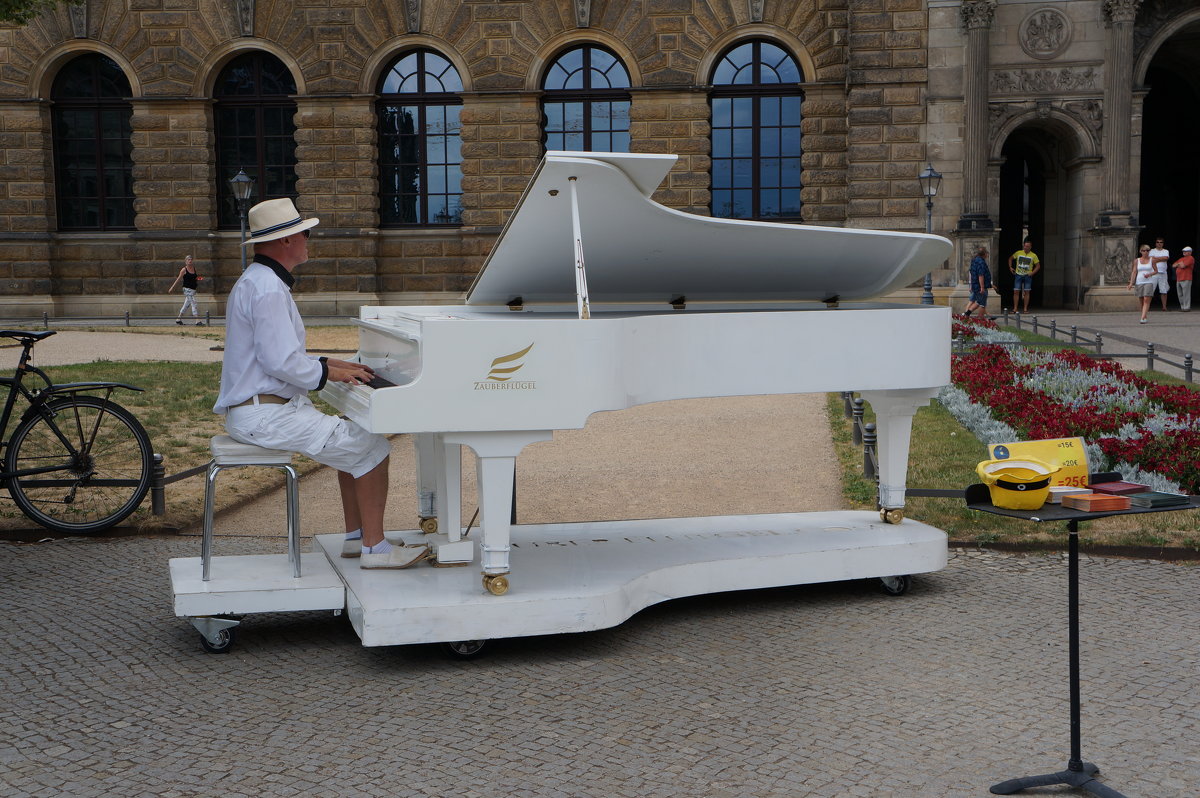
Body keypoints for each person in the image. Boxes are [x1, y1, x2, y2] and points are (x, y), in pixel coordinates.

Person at [212, 197, 428, 569]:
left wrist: (330, 363)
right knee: (372, 448)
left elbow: (276, 356)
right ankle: (375, 551)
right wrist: (331, 374)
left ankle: (357, 538)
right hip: (265, 416)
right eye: (304, 234)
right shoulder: (267, 288)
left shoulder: (258, 281)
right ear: (284, 241)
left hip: (261, 409)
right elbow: (279, 361)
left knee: (353, 444)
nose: (308, 240)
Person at [168, 254, 204, 326]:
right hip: (187, 290)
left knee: (186, 305)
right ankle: (197, 320)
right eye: (188, 259)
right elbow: (178, 279)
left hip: (193, 290)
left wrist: (201, 278)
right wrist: (172, 287)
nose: (190, 260)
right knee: (194, 303)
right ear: (185, 261)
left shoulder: (194, 268)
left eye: (191, 259)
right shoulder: (184, 270)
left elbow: (195, 278)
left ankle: (178, 319)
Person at [1007, 240, 1040, 314]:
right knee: (1016, 291)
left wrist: (1032, 273)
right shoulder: (1018, 253)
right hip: (1018, 274)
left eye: (1027, 246)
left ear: (1030, 247)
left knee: (1027, 291)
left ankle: (1025, 309)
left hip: (1027, 275)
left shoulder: (1033, 255)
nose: (1026, 247)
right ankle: (1015, 308)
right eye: (1025, 246)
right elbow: (1010, 258)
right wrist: (1010, 267)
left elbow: (1038, 266)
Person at [1127, 244, 1157, 324]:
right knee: (1141, 301)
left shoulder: (1152, 260)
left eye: (1147, 250)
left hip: (1149, 282)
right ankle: (1144, 315)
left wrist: (1150, 274)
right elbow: (1134, 272)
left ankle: (1143, 317)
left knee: (1146, 299)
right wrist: (1131, 283)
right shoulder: (1137, 260)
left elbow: (1156, 270)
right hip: (1139, 282)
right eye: (1144, 250)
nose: (1146, 252)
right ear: (1141, 251)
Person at [963, 245, 992, 319]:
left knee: (978, 301)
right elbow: (981, 275)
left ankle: (970, 314)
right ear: (984, 254)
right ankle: (971, 315)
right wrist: (982, 287)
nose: (987, 255)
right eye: (987, 253)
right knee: (981, 303)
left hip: (975, 284)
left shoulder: (975, 260)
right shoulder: (981, 262)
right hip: (980, 285)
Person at [1148, 236, 1170, 311]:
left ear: (1163, 243)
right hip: (1153, 273)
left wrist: (1156, 258)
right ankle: (1147, 307)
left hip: (1163, 273)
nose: (1159, 244)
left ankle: (1164, 307)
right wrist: (1161, 258)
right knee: (1151, 290)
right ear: (1155, 243)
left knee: (1164, 290)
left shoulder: (1166, 251)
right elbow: (1151, 260)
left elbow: (1166, 258)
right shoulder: (1151, 251)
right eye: (1158, 242)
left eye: (1161, 242)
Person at [1173, 245, 1194, 312]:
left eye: (1186, 251)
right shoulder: (1181, 259)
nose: (1184, 252)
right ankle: (1183, 307)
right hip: (1179, 279)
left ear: (1190, 252)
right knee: (1180, 294)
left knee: (1186, 294)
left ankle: (1187, 307)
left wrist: (1178, 264)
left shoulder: (1190, 258)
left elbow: (1183, 266)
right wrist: (1179, 264)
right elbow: (1173, 265)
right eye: (1183, 251)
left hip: (1186, 278)